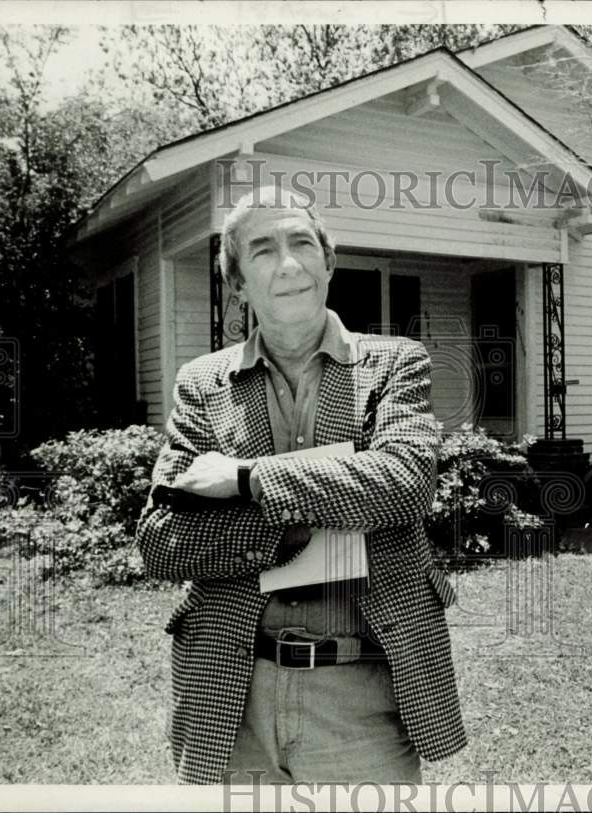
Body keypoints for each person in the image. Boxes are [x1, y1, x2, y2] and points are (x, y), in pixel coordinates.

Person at [136, 184, 466, 785]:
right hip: (233, 696)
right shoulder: (202, 385)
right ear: (237, 283)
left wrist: (244, 479)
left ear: (328, 261)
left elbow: (405, 482)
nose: (289, 265)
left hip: (361, 696)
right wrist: (315, 512)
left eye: (302, 243)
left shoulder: (394, 364)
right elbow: (162, 541)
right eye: (262, 250)